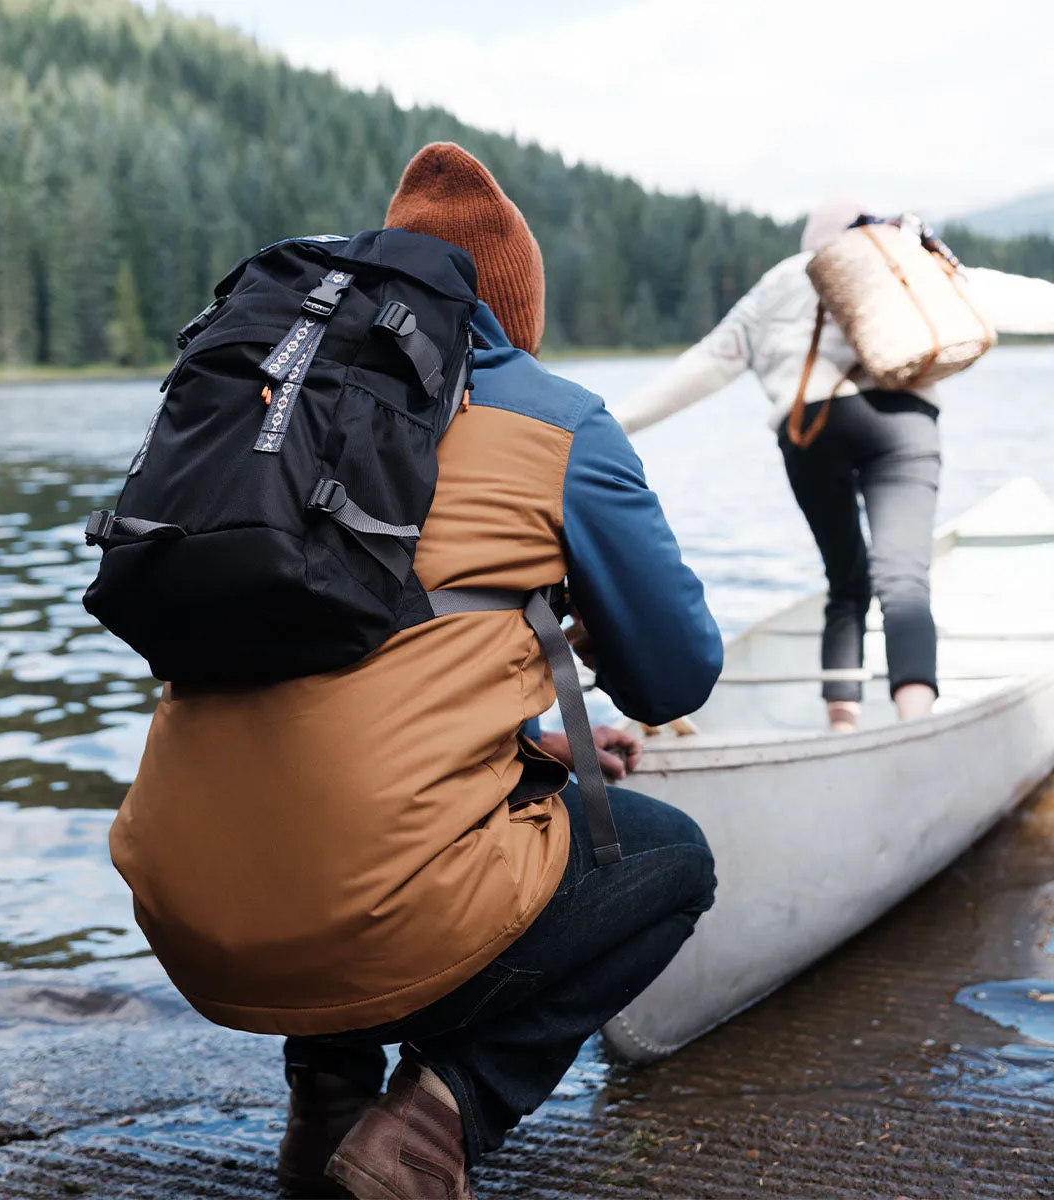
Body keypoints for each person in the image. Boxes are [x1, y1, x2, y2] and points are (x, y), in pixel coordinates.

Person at [109, 142, 723, 1200]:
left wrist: (533, 741)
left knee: (323, 813)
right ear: (510, 310)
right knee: (670, 862)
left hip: (181, 915)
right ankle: (431, 1128)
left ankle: (329, 1112)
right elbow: (676, 680)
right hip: (366, 919)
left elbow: (332, 663)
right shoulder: (553, 417)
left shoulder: (271, 406)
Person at [622, 195, 1054, 732]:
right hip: (904, 421)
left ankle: (842, 726)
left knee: (846, 582)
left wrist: (613, 424)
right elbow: (1001, 295)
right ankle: (914, 720)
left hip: (811, 428)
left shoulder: (782, 279)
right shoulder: (905, 259)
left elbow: (709, 363)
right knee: (905, 579)